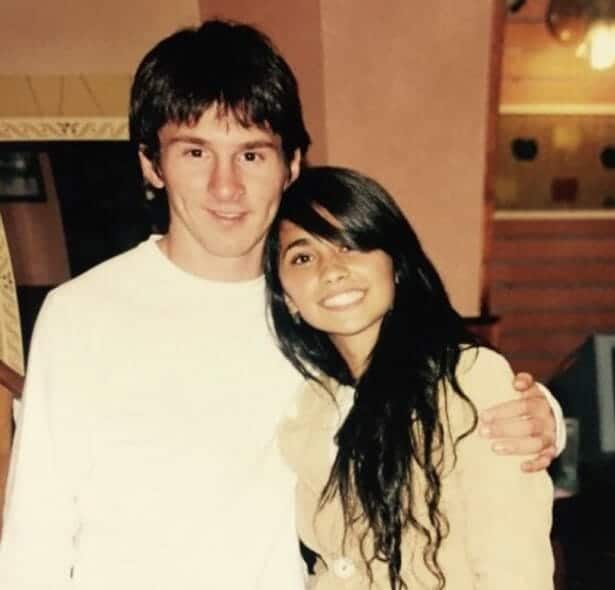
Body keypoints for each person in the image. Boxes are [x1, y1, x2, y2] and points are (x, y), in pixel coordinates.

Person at [0, 20, 560, 589]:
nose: (225, 187)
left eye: (251, 155)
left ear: (291, 165)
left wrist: (538, 416)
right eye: (195, 152)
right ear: (151, 164)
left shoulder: (315, 310)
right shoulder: (81, 315)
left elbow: (418, 396)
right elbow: (34, 535)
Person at [265, 166, 554, 589]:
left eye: (350, 244)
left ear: (395, 264)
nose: (332, 270)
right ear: (287, 297)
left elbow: (516, 569)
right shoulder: (311, 405)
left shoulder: (468, 379)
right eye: (303, 257)